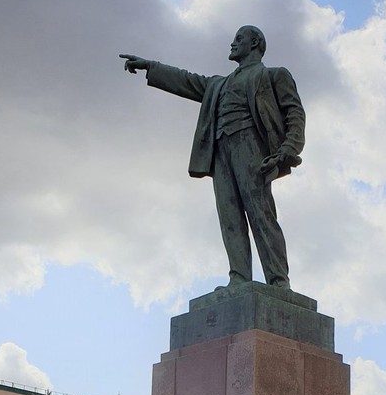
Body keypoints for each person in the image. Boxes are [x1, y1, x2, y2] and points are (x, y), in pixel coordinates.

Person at [120, 25, 305, 289]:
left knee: (260, 214)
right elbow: (187, 80)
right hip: (220, 152)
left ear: (256, 43)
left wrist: (289, 148)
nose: (232, 43)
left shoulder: (274, 75)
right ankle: (239, 276)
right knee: (229, 217)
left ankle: (278, 281)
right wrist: (151, 66)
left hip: (252, 147)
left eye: (239, 39)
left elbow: (294, 113)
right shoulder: (218, 84)